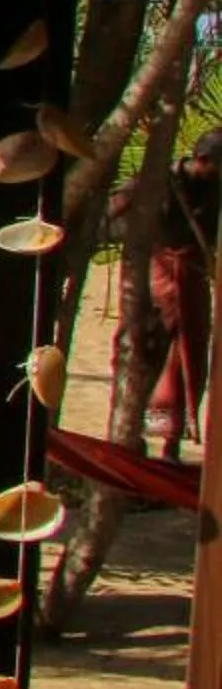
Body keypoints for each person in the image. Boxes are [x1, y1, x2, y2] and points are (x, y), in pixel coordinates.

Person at [144, 128, 222, 458]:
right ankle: (154, 438)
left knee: (190, 355)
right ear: (203, 159)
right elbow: (123, 209)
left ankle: (173, 442)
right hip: (162, 277)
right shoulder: (164, 182)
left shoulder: (215, 184)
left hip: (193, 275)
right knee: (156, 357)